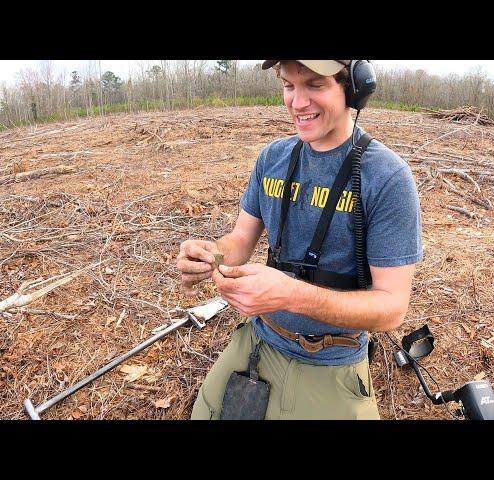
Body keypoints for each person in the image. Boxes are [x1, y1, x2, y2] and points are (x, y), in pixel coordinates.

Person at [176, 60, 423, 420]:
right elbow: (240, 240)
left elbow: (392, 309)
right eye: (289, 86)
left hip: (331, 360)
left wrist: (292, 295)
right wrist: (212, 254)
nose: (297, 102)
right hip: (260, 340)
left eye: (315, 85)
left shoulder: (387, 178)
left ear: (354, 88)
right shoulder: (272, 158)